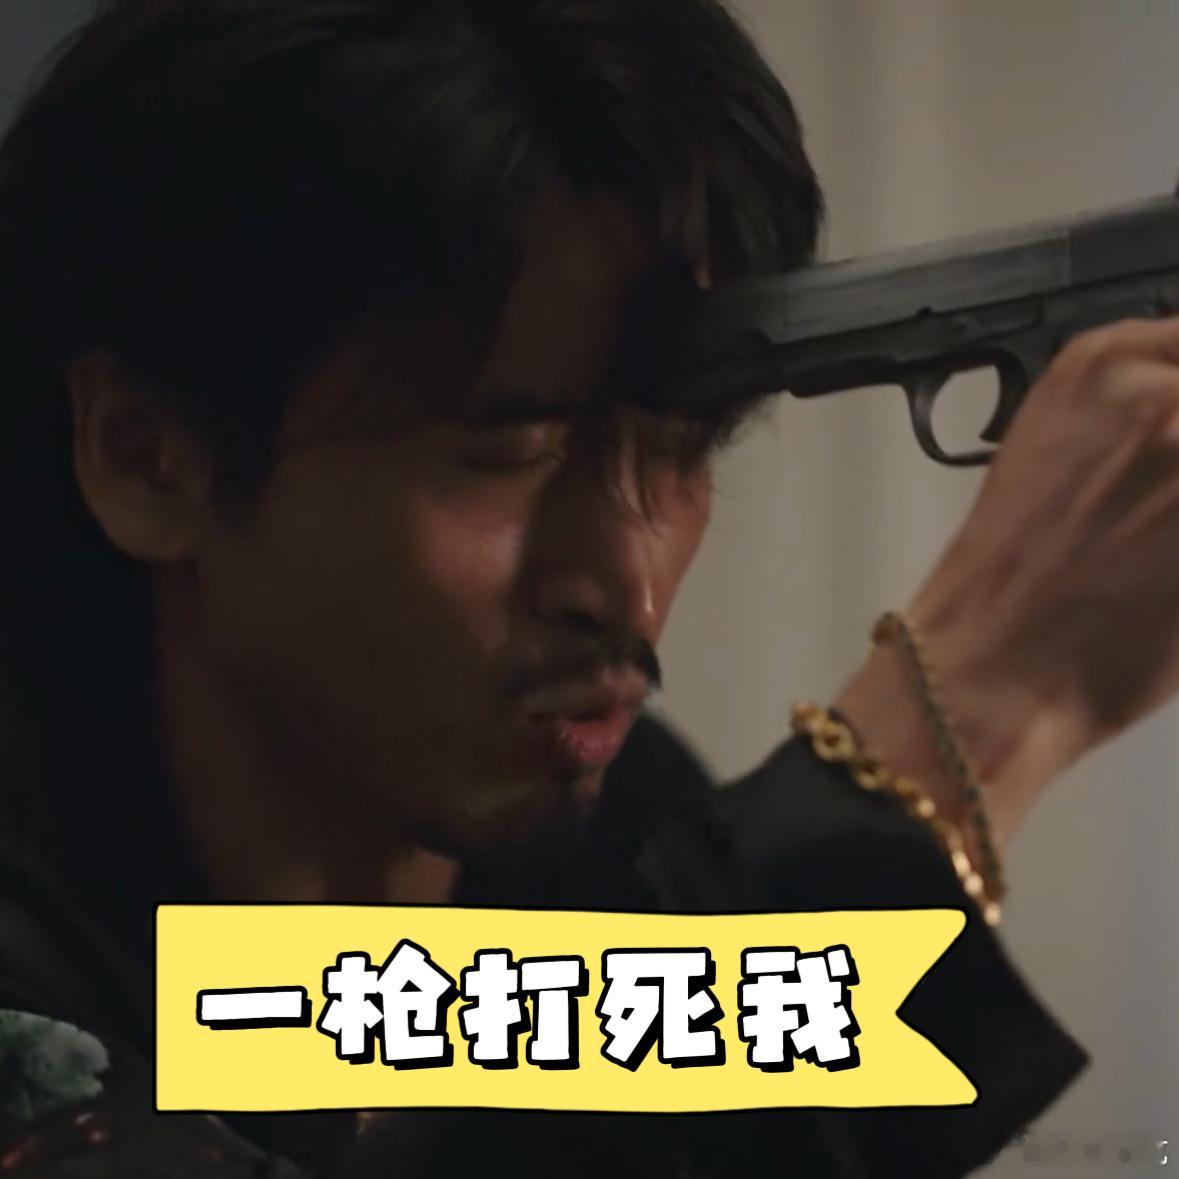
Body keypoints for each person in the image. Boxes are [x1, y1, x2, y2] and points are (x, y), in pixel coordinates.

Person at [2, 0, 1178, 1174]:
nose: (628, 582)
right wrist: (968, 708)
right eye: (509, 450)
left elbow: (297, 1038)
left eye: (687, 441)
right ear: (149, 461)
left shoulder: (621, 831)